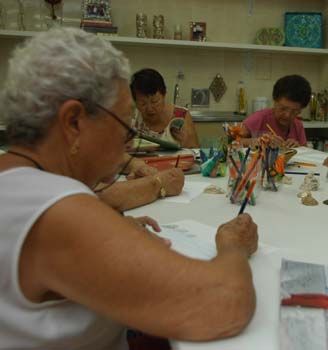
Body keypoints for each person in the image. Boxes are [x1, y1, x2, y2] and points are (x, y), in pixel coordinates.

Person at [0, 27, 258, 349]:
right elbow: (224, 304)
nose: (127, 144)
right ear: (74, 123)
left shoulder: (14, 179)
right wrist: (233, 245)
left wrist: (107, 231)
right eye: (123, 126)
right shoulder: (54, 211)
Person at [130, 68, 200, 148]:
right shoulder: (131, 116)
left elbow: (196, 153)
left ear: (164, 95)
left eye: (154, 101)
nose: (149, 108)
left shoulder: (181, 116)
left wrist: (185, 144)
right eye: (143, 103)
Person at [241, 75, 311, 148]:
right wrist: (260, 141)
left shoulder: (298, 126)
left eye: (294, 112)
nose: (287, 115)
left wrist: (298, 148)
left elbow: (305, 153)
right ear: (274, 101)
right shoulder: (258, 119)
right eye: (283, 108)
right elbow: (233, 142)